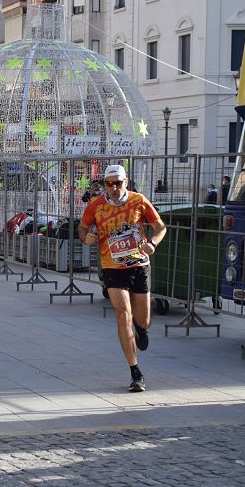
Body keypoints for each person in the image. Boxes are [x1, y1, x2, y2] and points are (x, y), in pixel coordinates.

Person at [79, 164, 166, 393]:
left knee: (143, 319)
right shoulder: (96, 205)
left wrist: (153, 243)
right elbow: (82, 228)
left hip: (139, 265)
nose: (114, 188)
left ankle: (142, 328)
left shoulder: (139, 201)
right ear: (104, 185)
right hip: (112, 267)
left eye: (118, 183)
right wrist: (86, 237)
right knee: (123, 314)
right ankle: (135, 372)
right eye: (110, 184)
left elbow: (160, 227)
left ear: (126, 182)